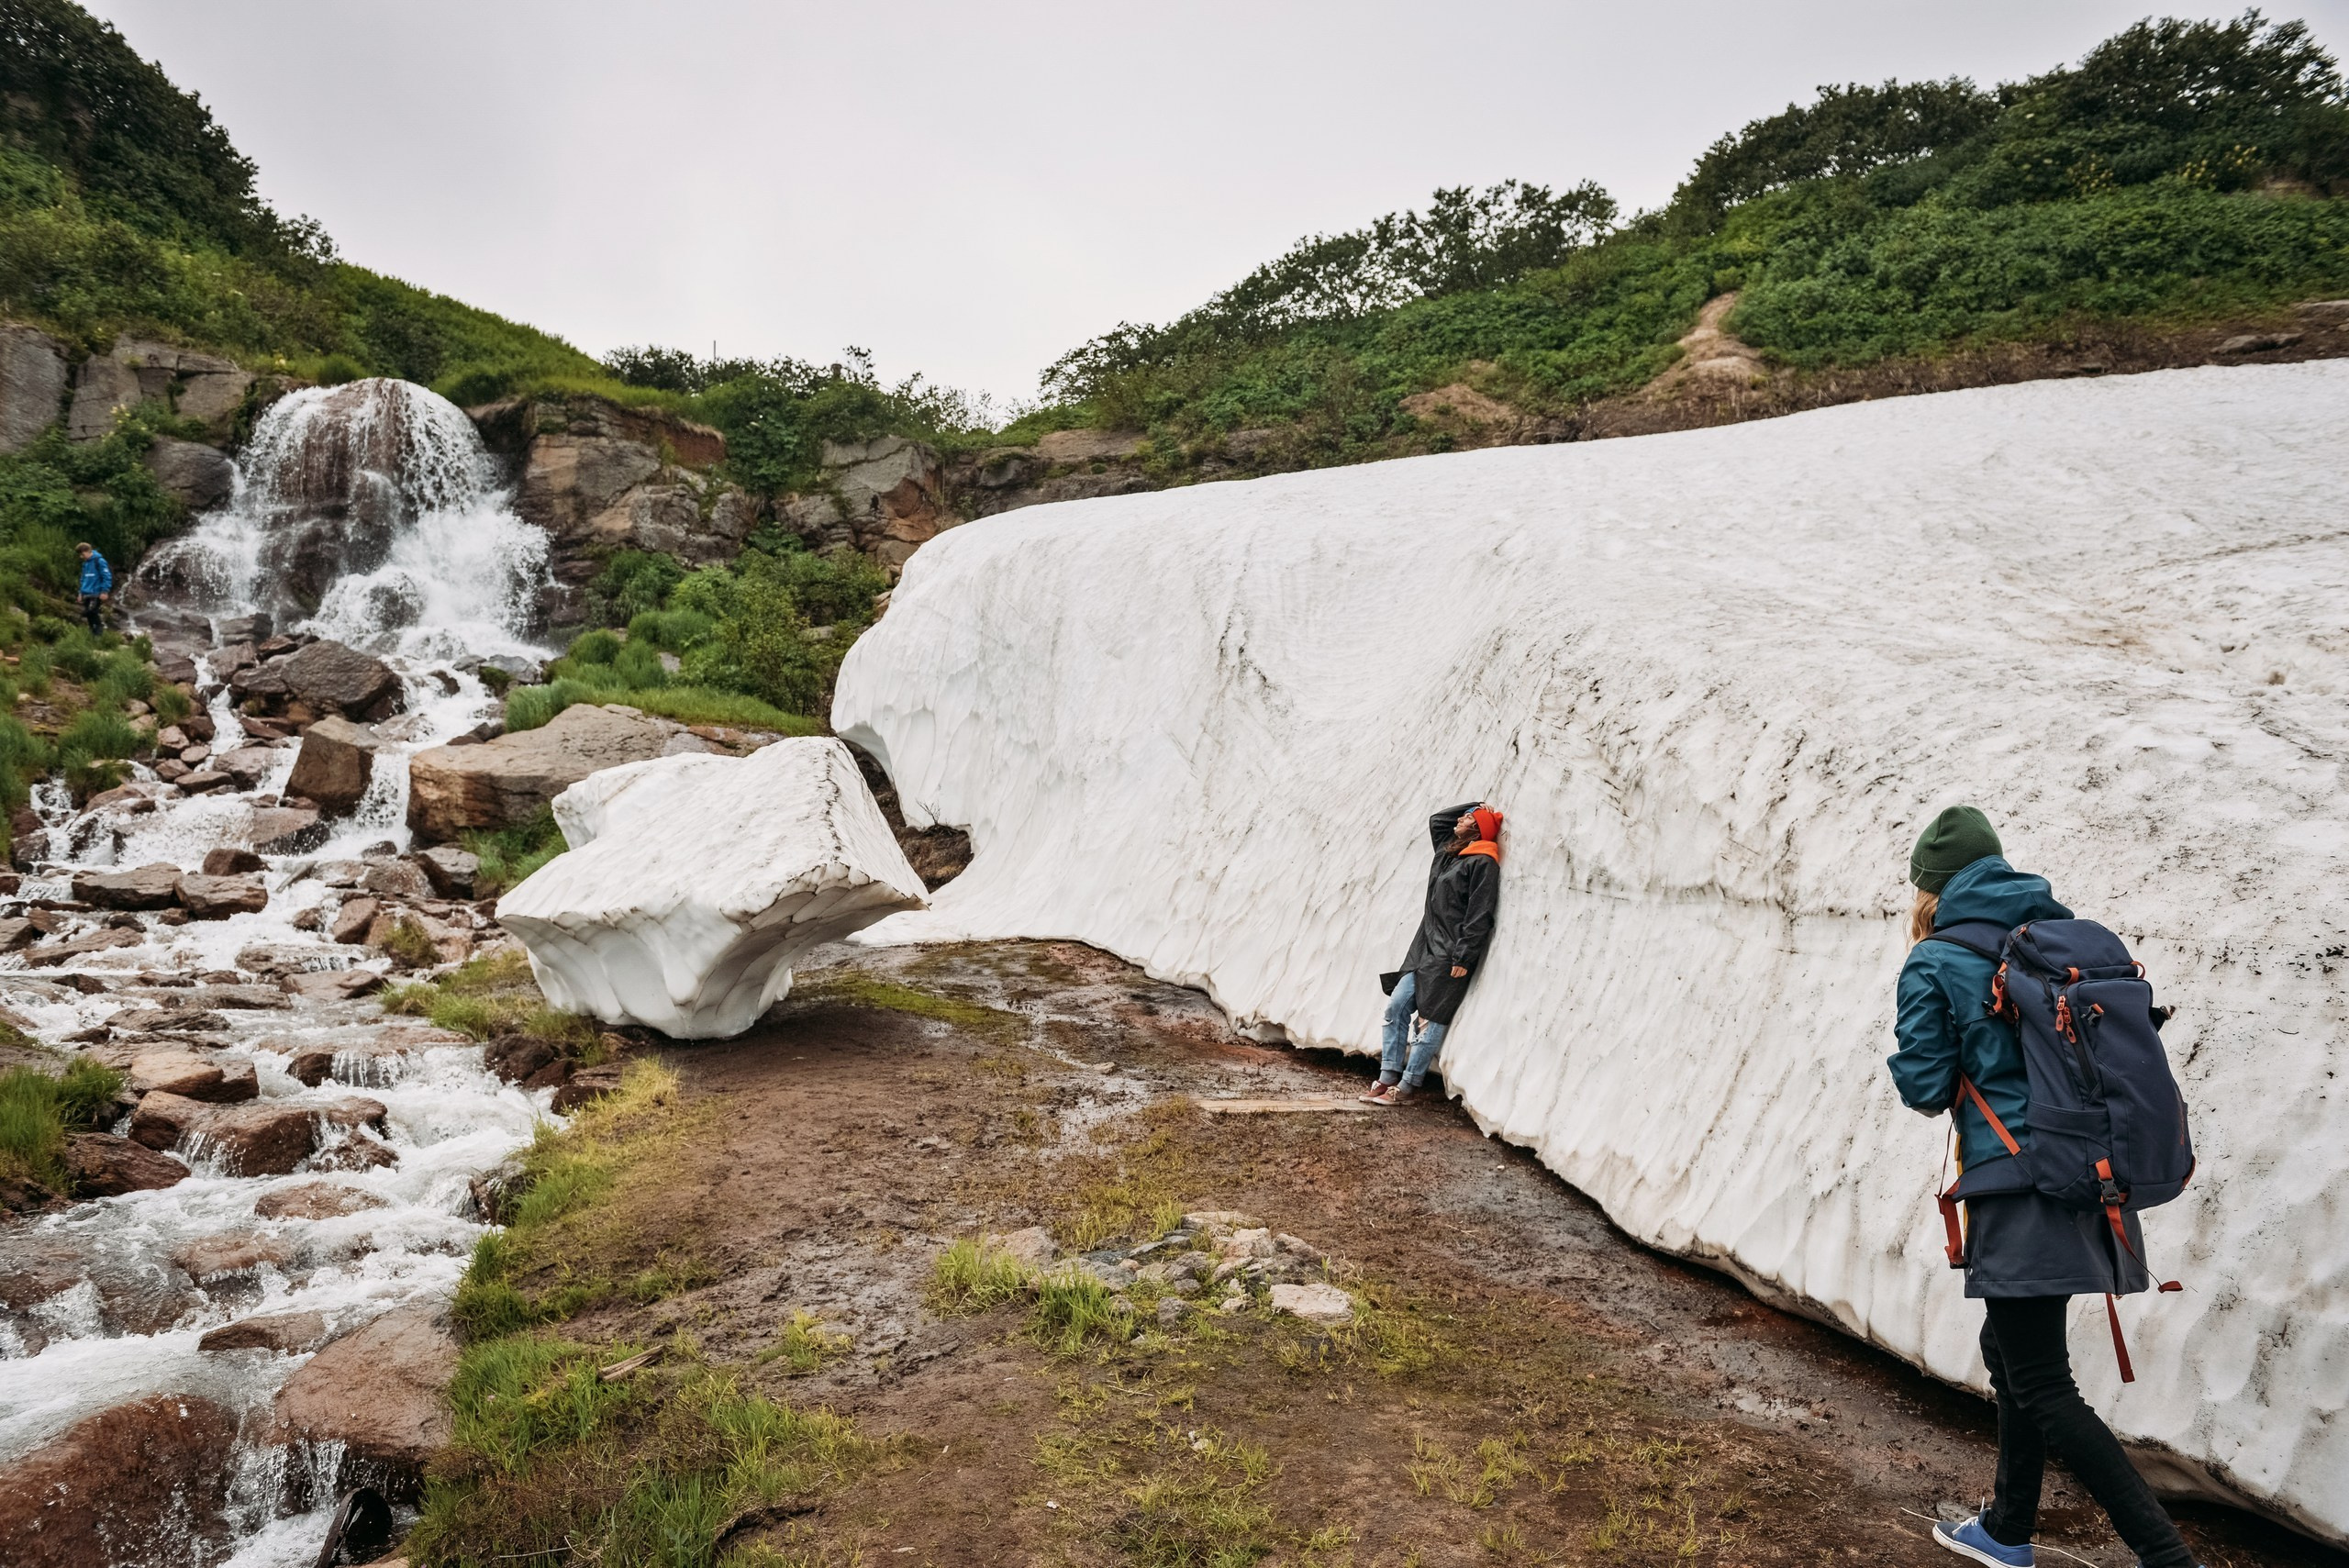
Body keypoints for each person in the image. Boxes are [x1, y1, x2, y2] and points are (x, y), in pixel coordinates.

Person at [1889, 806, 2199, 1568]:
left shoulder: (1936, 959)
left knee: (2041, 1380)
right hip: (2086, 1178)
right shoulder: (2051, 943)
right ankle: (2007, 1527)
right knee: (2012, 1348)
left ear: (1929, 890)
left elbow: (1927, 1085)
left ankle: (2168, 1557)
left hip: (2017, 1185)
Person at [1361, 801, 1501, 1106]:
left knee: (1430, 1020)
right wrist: (1476, 806)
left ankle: (1408, 1087)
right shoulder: (1448, 854)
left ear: (1476, 829)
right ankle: (1387, 1077)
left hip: (1449, 953)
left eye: (1467, 818)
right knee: (1396, 1007)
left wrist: (1464, 957)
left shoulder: (1483, 863)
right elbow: (1438, 820)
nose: (1459, 820)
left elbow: (1480, 913)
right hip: (1423, 948)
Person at [75, 542, 112, 635]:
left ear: (87, 551)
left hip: (96, 593)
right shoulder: (85, 564)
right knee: (89, 616)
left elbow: (107, 576)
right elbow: (83, 579)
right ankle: (93, 635)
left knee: (91, 612)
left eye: (82, 554)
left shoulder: (99, 561)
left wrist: (105, 591)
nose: (81, 557)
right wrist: (80, 593)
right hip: (86, 593)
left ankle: (99, 634)